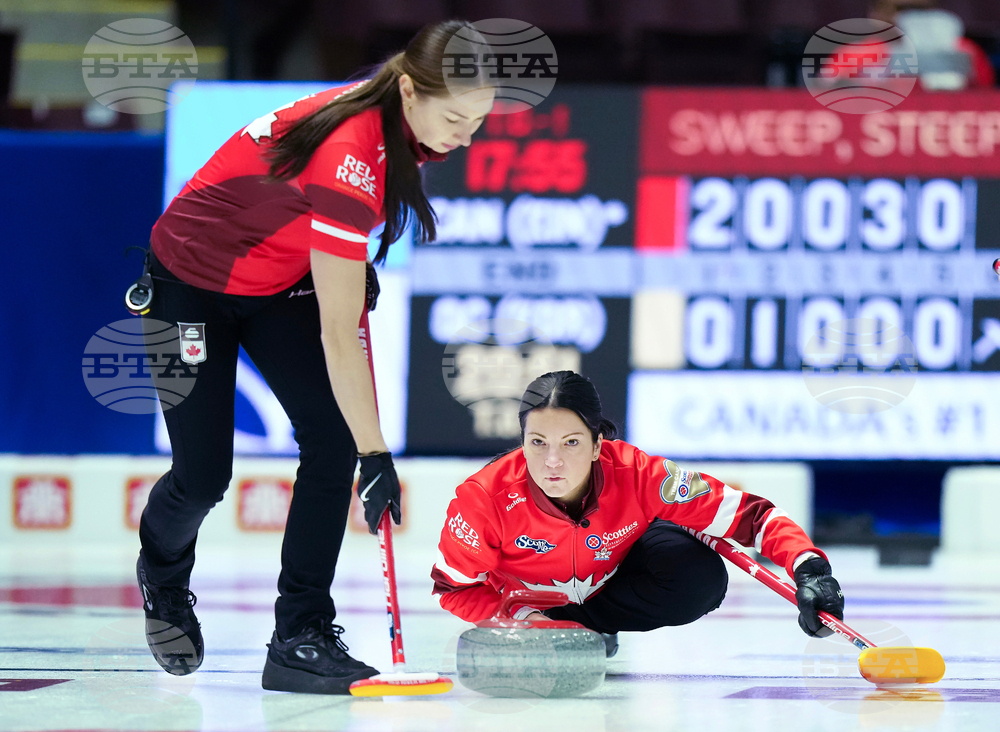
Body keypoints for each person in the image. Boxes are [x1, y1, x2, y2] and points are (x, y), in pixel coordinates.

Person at [134, 20, 494, 694]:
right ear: (411, 90)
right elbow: (339, 331)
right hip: (190, 288)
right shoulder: (351, 149)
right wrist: (378, 453)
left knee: (330, 443)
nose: (464, 137)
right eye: (456, 118)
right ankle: (162, 571)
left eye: (477, 122)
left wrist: (359, 446)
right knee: (204, 475)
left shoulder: (397, 120)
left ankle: (299, 635)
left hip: (276, 282)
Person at [432, 371, 844, 656]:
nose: (552, 461)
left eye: (571, 443)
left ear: (597, 446)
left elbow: (748, 516)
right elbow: (453, 589)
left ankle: (593, 626)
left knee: (700, 577)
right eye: (537, 442)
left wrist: (810, 568)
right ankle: (577, 627)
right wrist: (528, 620)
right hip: (535, 605)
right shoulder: (485, 498)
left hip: (610, 583)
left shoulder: (641, 474)